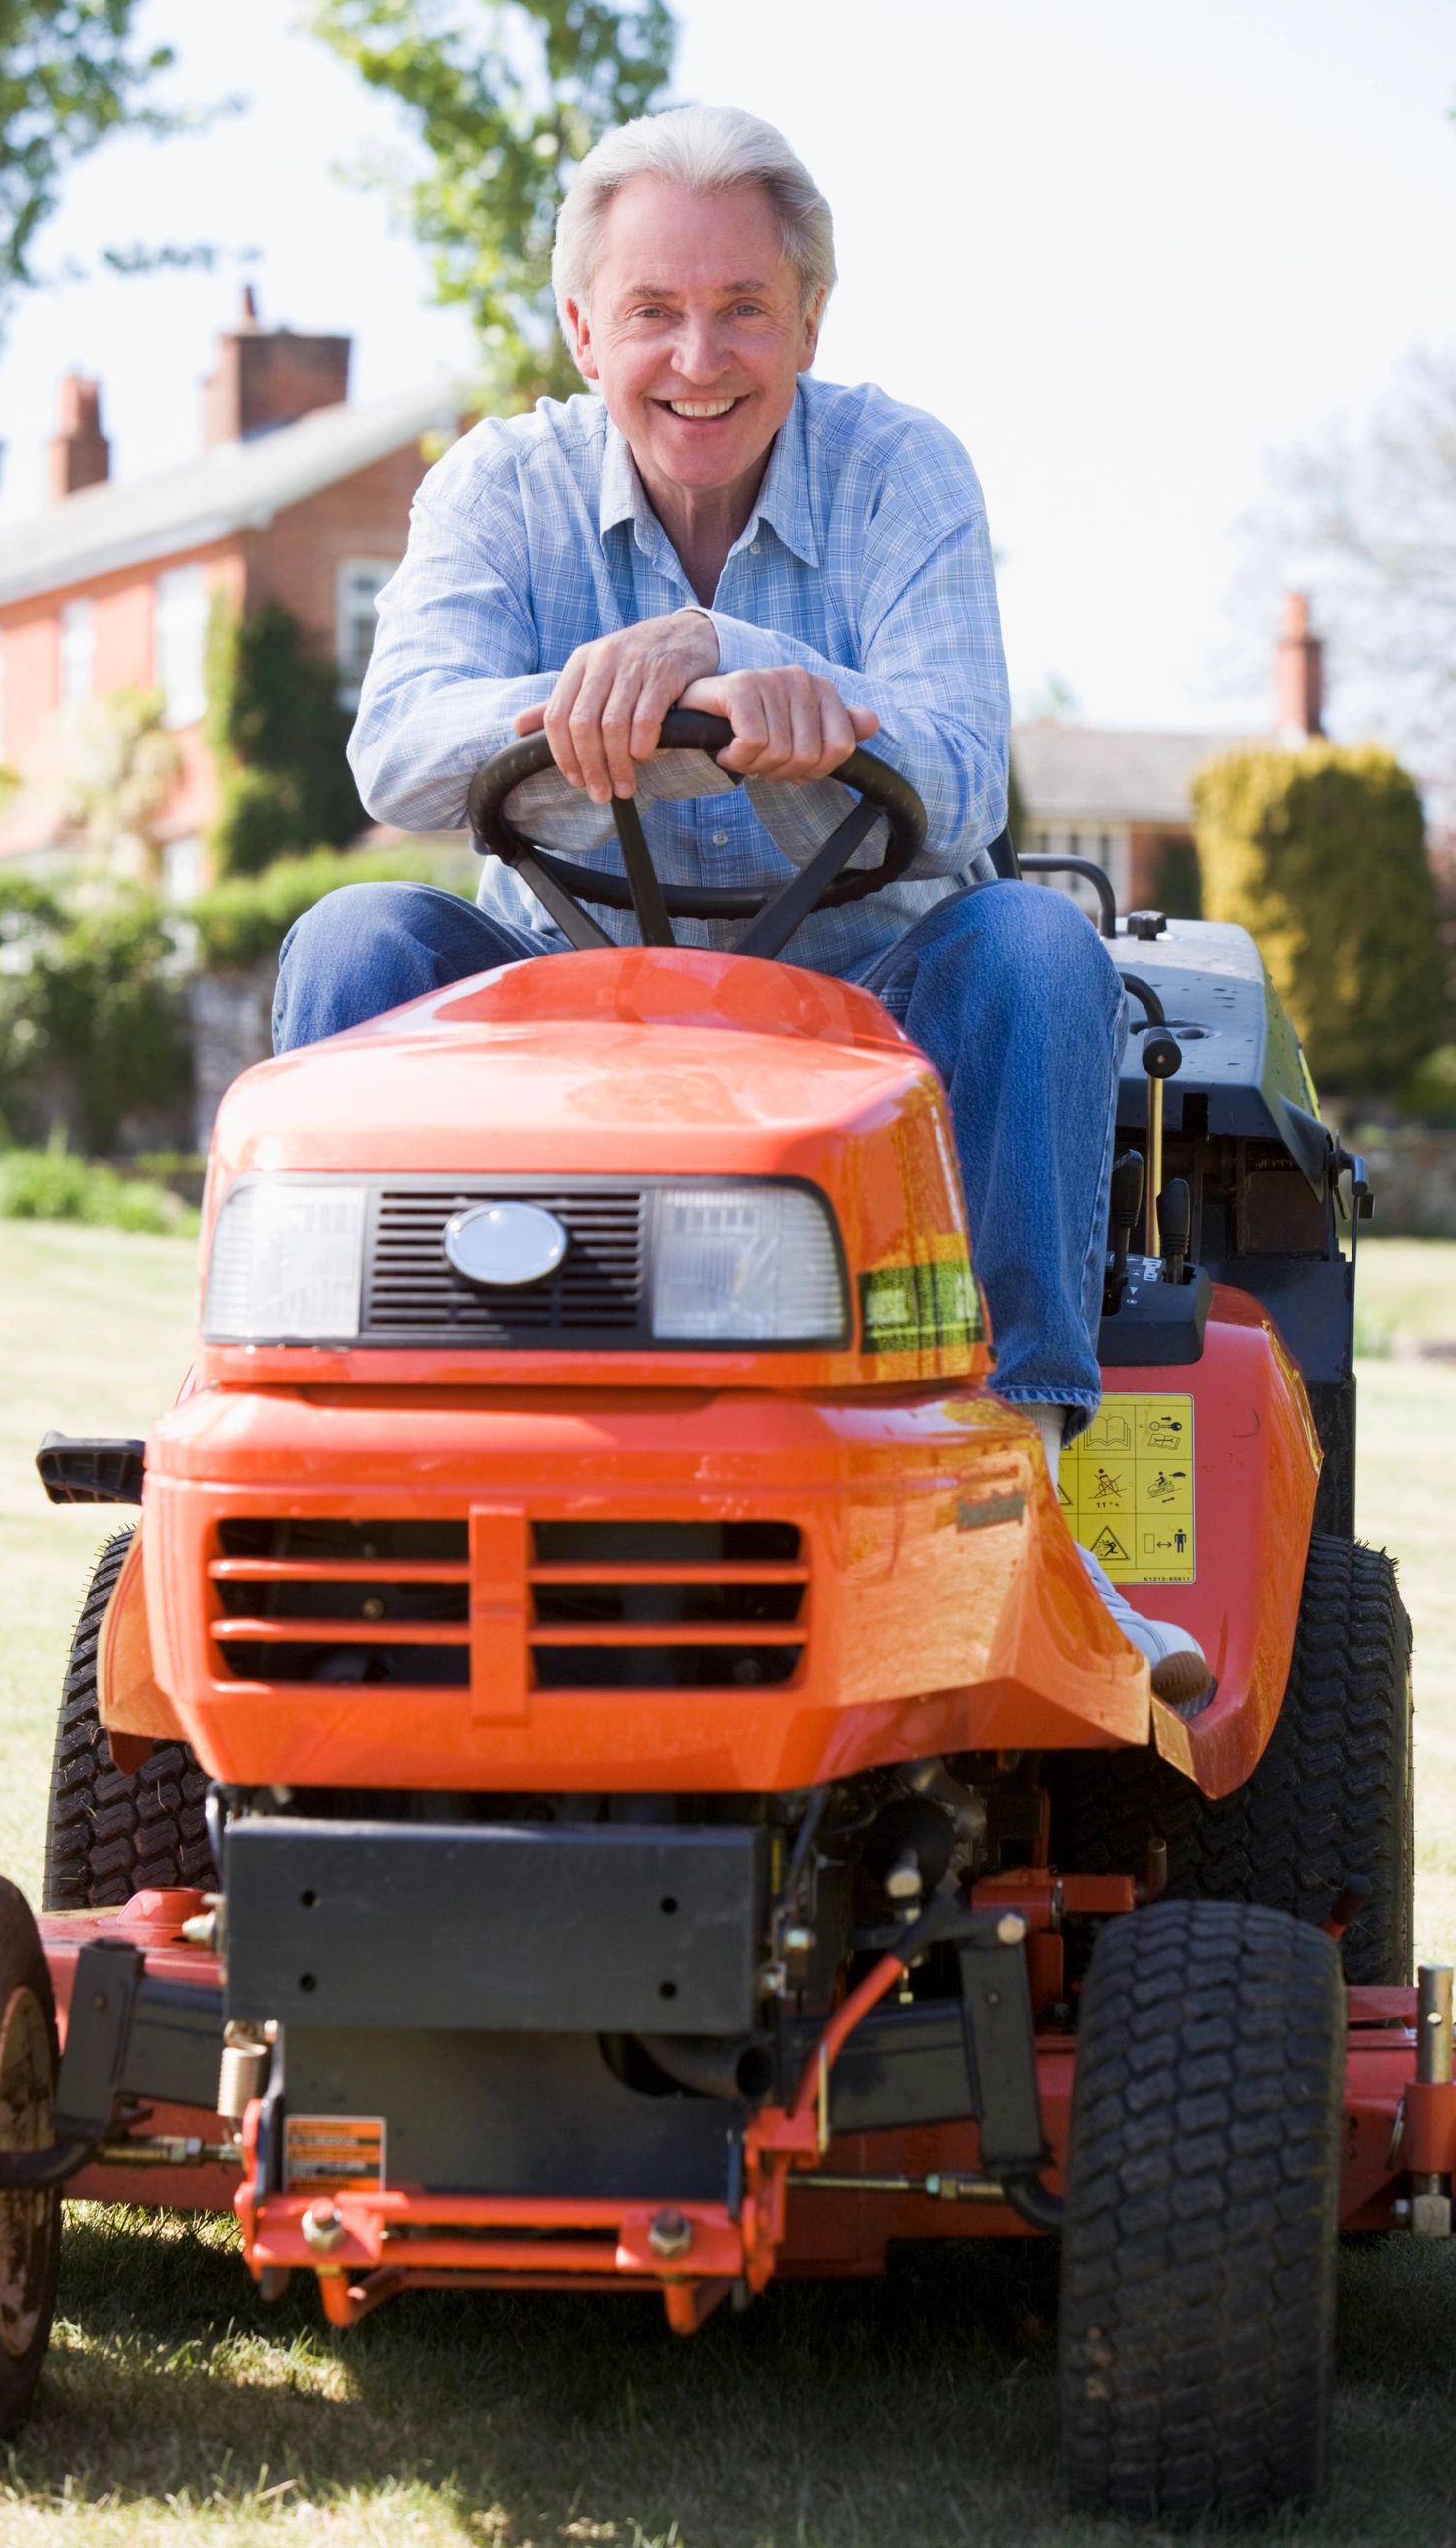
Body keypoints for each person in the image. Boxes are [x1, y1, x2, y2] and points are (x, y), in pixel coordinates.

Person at [273, 104, 1208, 1704]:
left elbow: (967, 770)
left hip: (868, 1021)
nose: (695, 356)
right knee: (355, 940)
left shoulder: (899, 470)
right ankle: (339, 1482)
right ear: (583, 328)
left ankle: (1021, 1495)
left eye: (741, 309)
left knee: (1035, 945)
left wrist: (782, 682)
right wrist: (571, 707)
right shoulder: (500, 486)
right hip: (566, 1012)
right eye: (650, 310)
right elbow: (398, 746)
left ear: (808, 321)